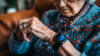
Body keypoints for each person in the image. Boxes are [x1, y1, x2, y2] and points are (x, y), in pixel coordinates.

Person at [8, 0, 100, 56]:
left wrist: (49, 35)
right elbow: (18, 51)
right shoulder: (49, 16)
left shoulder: (97, 22)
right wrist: (18, 36)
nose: (60, 5)